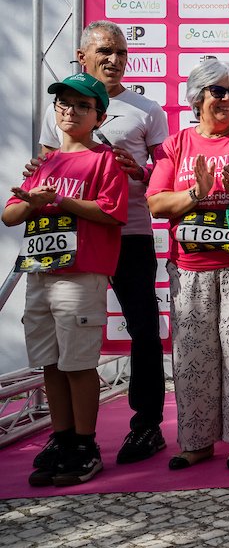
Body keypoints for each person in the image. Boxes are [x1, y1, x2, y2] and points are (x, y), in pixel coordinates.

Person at [35, 21, 168, 465]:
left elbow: (164, 176)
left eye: (121, 52)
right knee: (65, 335)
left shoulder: (147, 109)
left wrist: (140, 172)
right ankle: (69, 434)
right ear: (82, 56)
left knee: (143, 329)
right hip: (73, 239)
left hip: (130, 233)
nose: (114, 60)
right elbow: (47, 166)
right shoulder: (60, 109)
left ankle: (147, 424)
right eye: (105, 51)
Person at [147, 59, 229, 471]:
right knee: (193, 357)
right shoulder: (175, 145)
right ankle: (196, 442)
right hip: (189, 268)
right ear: (197, 97)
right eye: (218, 91)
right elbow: (156, 203)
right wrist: (197, 191)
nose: (227, 99)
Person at [7, 73, 128, 486]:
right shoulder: (44, 162)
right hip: (40, 271)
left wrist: (59, 200)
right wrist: (33, 203)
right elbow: (9, 214)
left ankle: (85, 444)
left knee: (78, 364)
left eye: (81, 105)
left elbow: (111, 212)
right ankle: (61, 439)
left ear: (99, 117)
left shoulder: (105, 160)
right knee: (51, 363)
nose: (70, 111)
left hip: (81, 274)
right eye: (63, 103)